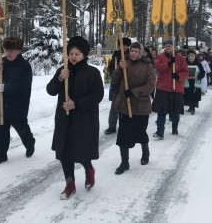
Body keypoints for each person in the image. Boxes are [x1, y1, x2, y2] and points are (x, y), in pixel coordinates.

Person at [46, 36, 104, 200]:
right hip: (65, 119)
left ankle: (89, 169)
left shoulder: (93, 73)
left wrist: (76, 104)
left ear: (84, 55)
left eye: (77, 53)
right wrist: (59, 79)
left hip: (84, 119)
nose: (73, 56)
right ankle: (70, 184)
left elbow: (97, 96)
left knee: (82, 151)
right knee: (65, 152)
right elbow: (50, 90)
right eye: (70, 53)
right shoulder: (63, 70)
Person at [0, 36, 35, 166]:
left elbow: (24, 85)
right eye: (7, 50)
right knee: (0, 132)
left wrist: (6, 88)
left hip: (17, 106)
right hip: (1, 104)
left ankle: (30, 143)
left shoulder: (24, 66)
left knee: (22, 130)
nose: (8, 53)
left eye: (12, 50)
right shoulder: (2, 62)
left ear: (18, 51)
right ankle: (1, 155)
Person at [111, 42, 156, 174]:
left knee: (140, 133)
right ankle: (124, 163)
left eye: (136, 51)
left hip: (141, 107)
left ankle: (145, 151)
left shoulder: (147, 66)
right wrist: (119, 68)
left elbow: (151, 85)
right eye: (131, 51)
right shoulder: (124, 63)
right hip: (125, 106)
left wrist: (135, 91)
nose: (133, 54)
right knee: (123, 136)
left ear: (141, 52)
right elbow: (114, 80)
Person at [152, 39, 189, 138]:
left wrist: (178, 76)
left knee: (175, 111)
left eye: (170, 45)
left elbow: (186, 72)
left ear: (174, 47)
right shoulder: (160, 57)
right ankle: (160, 132)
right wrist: (168, 64)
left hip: (176, 88)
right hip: (163, 88)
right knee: (161, 111)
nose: (168, 47)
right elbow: (158, 67)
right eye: (166, 45)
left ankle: (175, 129)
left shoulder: (180, 58)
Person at [104, 37, 131, 135]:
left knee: (127, 106)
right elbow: (111, 68)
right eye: (121, 46)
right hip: (116, 85)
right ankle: (112, 127)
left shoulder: (130, 56)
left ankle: (125, 126)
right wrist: (114, 75)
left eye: (125, 46)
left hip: (128, 84)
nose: (123, 47)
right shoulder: (116, 55)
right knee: (115, 106)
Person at [183, 50, 205, 114]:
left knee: (194, 95)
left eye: (192, 58)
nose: (191, 59)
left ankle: (193, 107)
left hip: (195, 82)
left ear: (194, 57)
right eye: (190, 58)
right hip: (187, 82)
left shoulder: (198, 64)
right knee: (188, 94)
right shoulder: (185, 63)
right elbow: (182, 71)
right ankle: (190, 106)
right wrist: (185, 76)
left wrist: (198, 77)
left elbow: (202, 73)